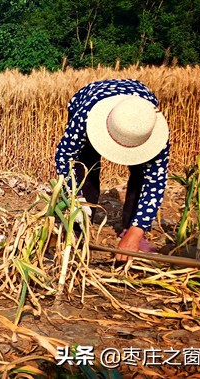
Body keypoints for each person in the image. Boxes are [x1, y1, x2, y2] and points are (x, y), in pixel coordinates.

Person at [55, 79, 169, 263]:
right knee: (86, 165)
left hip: (139, 105)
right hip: (89, 101)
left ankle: (130, 231)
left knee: (142, 174)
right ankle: (78, 227)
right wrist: (75, 198)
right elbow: (65, 157)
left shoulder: (150, 125)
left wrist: (136, 230)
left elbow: (154, 181)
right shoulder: (85, 116)